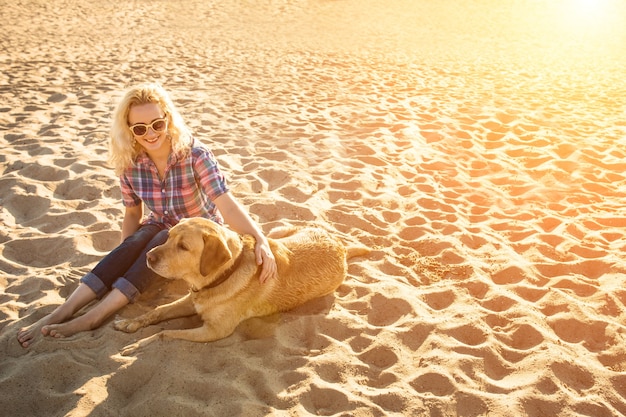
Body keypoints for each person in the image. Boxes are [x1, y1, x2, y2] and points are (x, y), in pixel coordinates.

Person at [17, 83, 277, 348]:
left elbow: (227, 204)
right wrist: (123, 258)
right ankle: (62, 312)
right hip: (157, 227)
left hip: (196, 238)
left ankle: (95, 316)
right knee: (137, 239)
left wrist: (260, 239)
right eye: (140, 128)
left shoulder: (196, 155)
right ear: (129, 130)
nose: (150, 133)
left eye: (157, 124)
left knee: (160, 235)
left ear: (168, 119)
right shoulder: (130, 164)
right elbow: (132, 213)